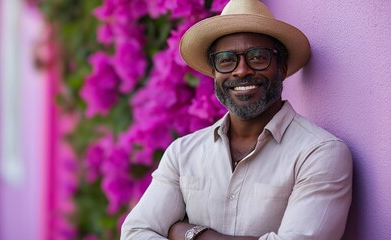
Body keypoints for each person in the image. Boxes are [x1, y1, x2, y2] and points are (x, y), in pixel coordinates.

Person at [121, 0, 353, 239]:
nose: (241, 70)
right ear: (214, 73)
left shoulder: (319, 153)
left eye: (258, 57)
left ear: (281, 68)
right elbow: (135, 232)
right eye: (226, 60)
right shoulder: (182, 154)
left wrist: (193, 234)